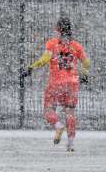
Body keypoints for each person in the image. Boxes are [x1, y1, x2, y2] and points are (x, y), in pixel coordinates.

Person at [20, 17, 91, 152]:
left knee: (48, 109)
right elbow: (86, 62)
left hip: (56, 83)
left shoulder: (52, 44)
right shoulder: (76, 46)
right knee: (70, 112)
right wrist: (85, 74)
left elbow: (44, 60)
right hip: (72, 82)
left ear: (58, 29)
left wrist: (30, 68)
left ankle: (58, 126)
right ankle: (71, 143)